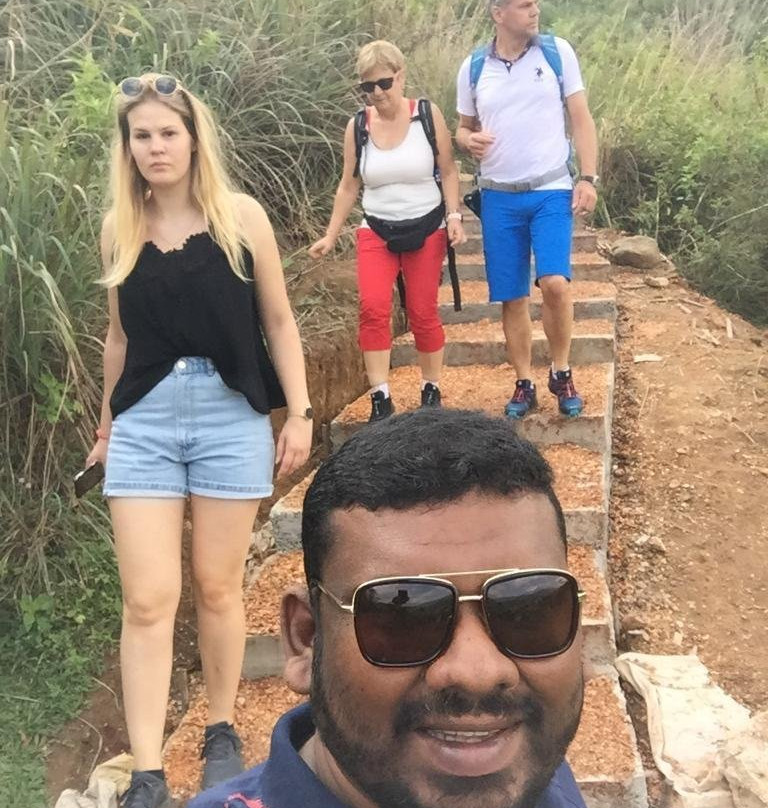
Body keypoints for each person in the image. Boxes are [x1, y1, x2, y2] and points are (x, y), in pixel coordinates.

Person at [84, 73, 313, 808]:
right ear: (127, 147)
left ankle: (219, 730)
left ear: (192, 139)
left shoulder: (241, 218)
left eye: (167, 133)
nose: (155, 147)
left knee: (217, 587)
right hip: (145, 422)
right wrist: (106, 428)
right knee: (148, 600)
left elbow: (278, 321)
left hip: (229, 415)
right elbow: (119, 339)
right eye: (141, 135)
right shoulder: (119, 227)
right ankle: (148, 773)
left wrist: (301, 412)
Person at [190, 408, 587, 808]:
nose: (477, 673)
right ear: (306, 639)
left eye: (528, 610)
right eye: (403, 618)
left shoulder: (530, 764)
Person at [456, 0, 599, 419]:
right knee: (512, 296)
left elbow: (581, 118)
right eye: (524, 4)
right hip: (498, 196)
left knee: (555, 283)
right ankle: (524, 382)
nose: (535, 10)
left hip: (550, 188)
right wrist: (466, 140)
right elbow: (463, 127)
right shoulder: (474, 67)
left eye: (535, 3)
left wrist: (588, 177)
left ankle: (561, 370)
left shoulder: (556, 53)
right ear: (498, 13)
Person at [309, 40, 466, 422]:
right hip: (377, 228)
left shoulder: (426, 115)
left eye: (384, 83)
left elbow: (448, 170)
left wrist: (454, 216)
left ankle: (431, 388)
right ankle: (381, 397)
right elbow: (349, 185)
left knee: (422, 310)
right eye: (368, 86)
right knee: (373, 308)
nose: (377, 93)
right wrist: (331, 234)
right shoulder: (358, 126)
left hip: (426, 226)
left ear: (400, 76)